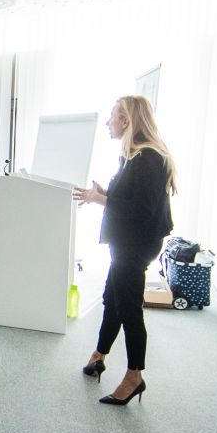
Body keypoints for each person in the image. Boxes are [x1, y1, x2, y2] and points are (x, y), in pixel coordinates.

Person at [73, 96, 175, 407]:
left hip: (136, 243)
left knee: (128, 308)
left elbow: (142, 210)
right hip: (127, 241)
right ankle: (98, 356)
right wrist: (105, 192)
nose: (108, 123)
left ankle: (134, 376)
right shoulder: (133, 155)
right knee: (112, 299)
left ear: (127, 121)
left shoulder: (148, 158)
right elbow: (131, 197)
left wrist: (99, 199)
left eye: (113, 117)